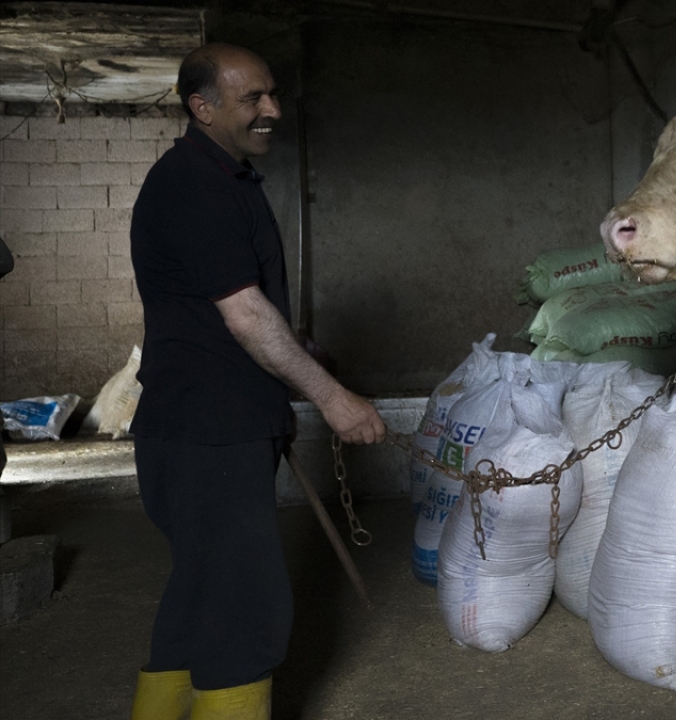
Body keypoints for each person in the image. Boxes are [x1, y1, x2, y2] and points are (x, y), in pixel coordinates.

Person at [128, 43, 385, 720]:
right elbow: (243, 316)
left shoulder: (221, 177)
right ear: (201, 107)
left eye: (272, 94)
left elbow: (233, 309)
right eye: (253, 99)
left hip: (202, 427)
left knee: (197, 601)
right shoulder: (195, 186)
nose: (272, 110)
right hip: (209, 431)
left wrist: (296, 350)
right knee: (244, 613)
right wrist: (332, 397)